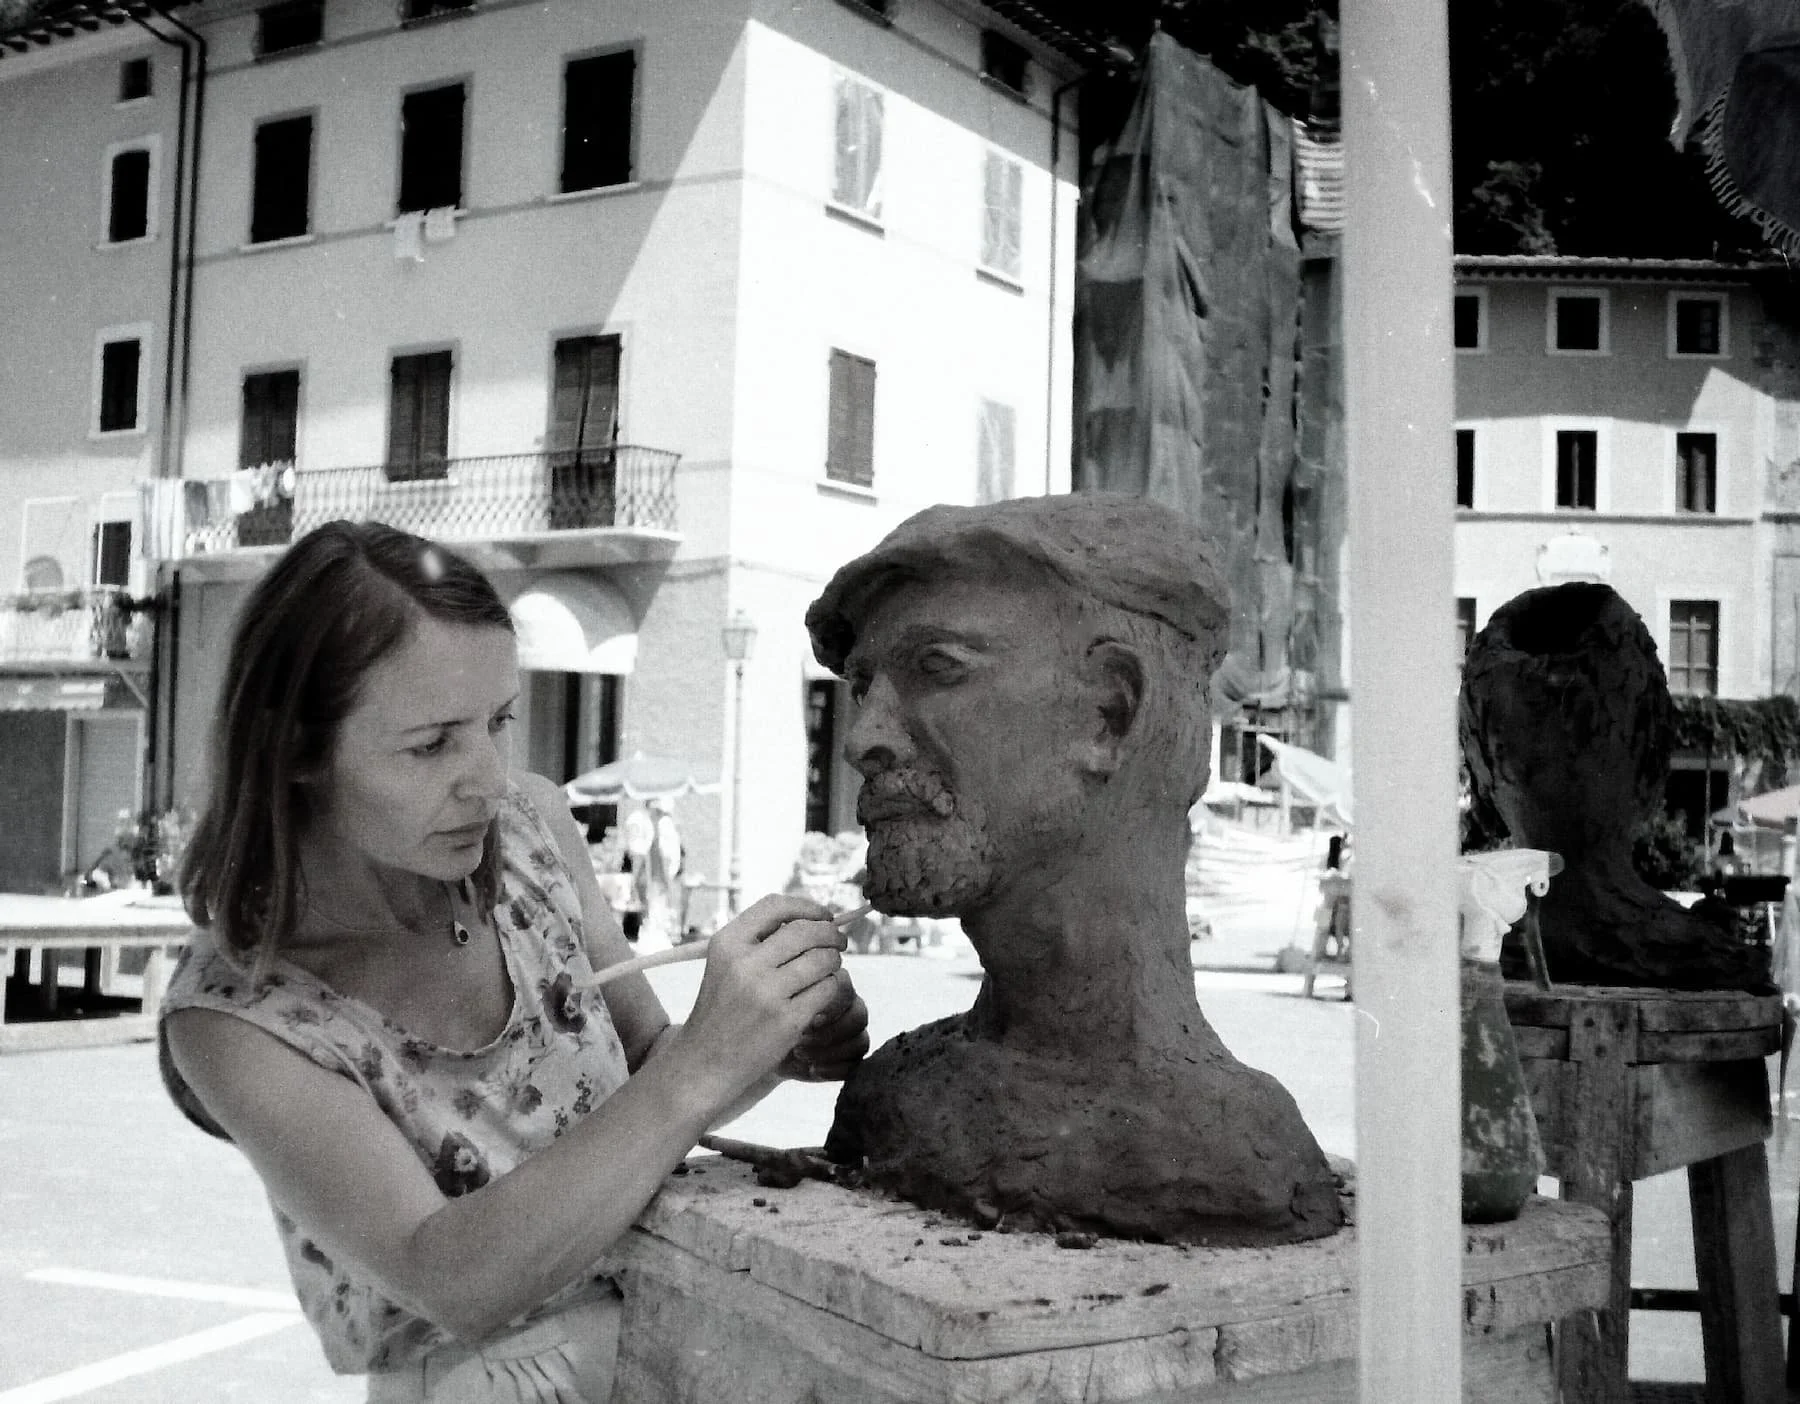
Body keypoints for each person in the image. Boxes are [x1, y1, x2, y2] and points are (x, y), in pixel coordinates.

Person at [158, 521, 868, 1402]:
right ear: (296, 748)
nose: (489, 778)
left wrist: (774, 1037)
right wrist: (706, 1064)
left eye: (498, 722)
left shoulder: (530, 830)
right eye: (431, 744)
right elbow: (452, 1277)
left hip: (666, 1317)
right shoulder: (238, 1017)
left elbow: (646, 1063)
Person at [806, 492, 1342, 1246]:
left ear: (1109, 714)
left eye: (937, 667)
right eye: (862, 687)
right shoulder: (896, 1092)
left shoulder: (1229, 1147)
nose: (864, 738)